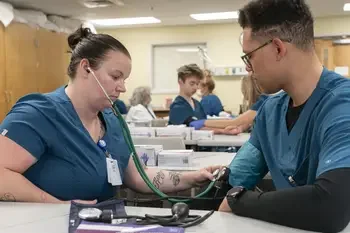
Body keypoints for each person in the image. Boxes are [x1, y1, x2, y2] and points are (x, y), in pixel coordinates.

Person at [0, 27, 221, 204]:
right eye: (116, 77)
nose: (122, 87)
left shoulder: (111, 120)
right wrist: (58, 206)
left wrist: (192, 177)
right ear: (86, 68)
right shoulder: (39, 114)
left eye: (124, 79)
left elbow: (138, 176)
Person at [218, 0, 350, 232]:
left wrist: (241, 200)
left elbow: (332, 207)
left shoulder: (342, 106)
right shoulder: (270, 111)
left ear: (278, 48)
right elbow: (232, 183)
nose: (248, 68)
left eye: (249, 56)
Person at [190, 72, 268, 135]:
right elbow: (246, 124)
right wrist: (239, 128)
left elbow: (234, 122)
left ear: (249, 89)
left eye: (243, 90)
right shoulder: (262, 101)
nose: (243, 93)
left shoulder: (261, 103)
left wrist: (203, 122)